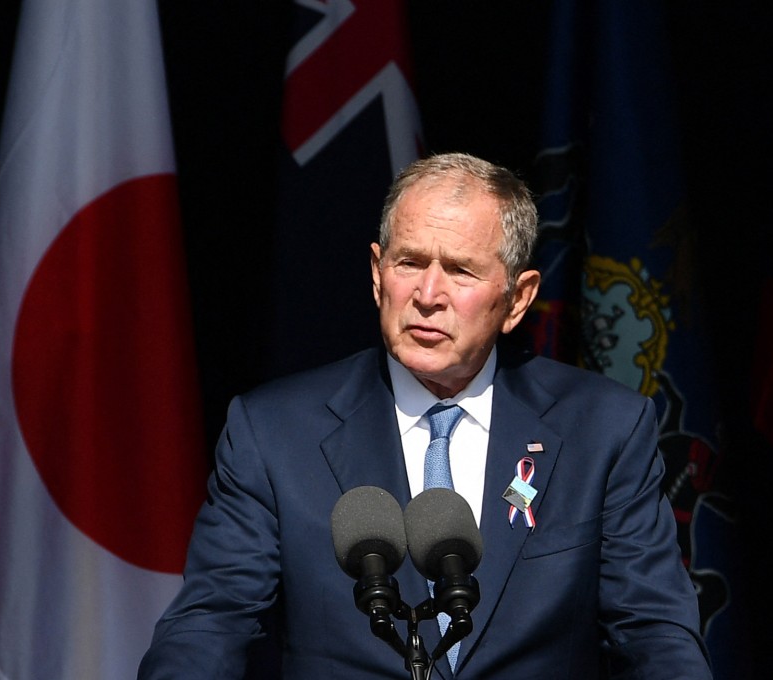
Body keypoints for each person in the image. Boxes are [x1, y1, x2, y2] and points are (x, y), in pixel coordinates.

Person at [139, 153, 711, 679]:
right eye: (409, 262)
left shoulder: (604, 431)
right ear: (376, 271)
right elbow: (210, 626)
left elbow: (656, 634)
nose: (428, 294)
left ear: (518, 298)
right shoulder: (273, 433)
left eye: (461, 271)